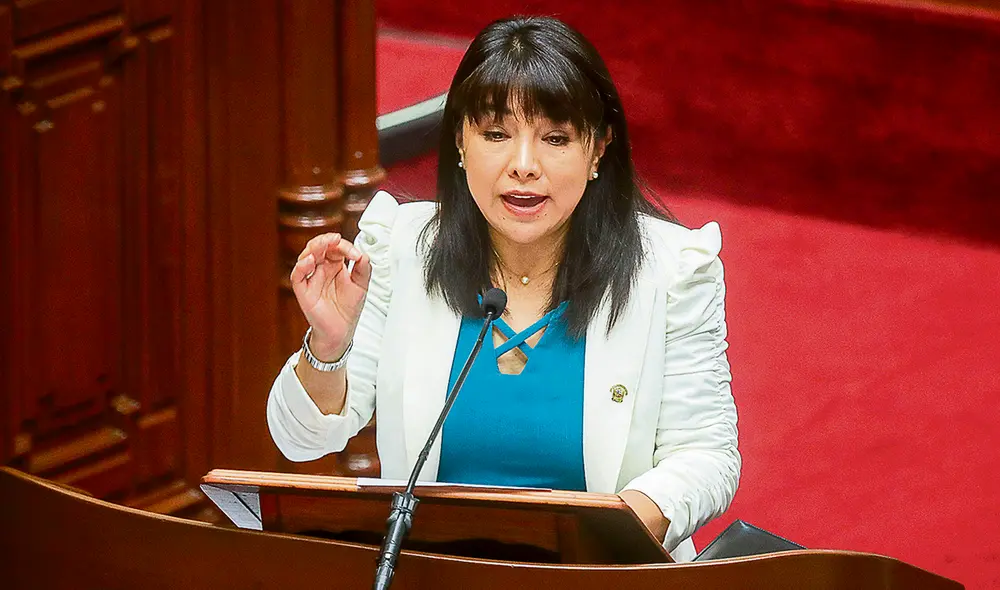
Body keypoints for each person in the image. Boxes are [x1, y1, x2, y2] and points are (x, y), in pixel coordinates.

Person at [266, 15, 739, 561]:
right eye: (496, 135)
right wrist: (327, 347)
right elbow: (300, 442)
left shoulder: (673, 269)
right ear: (461, 141)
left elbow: (707, 454)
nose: (523, 167)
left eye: (555, 139)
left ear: (599, 150)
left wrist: (610, 536)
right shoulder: (402, 247)